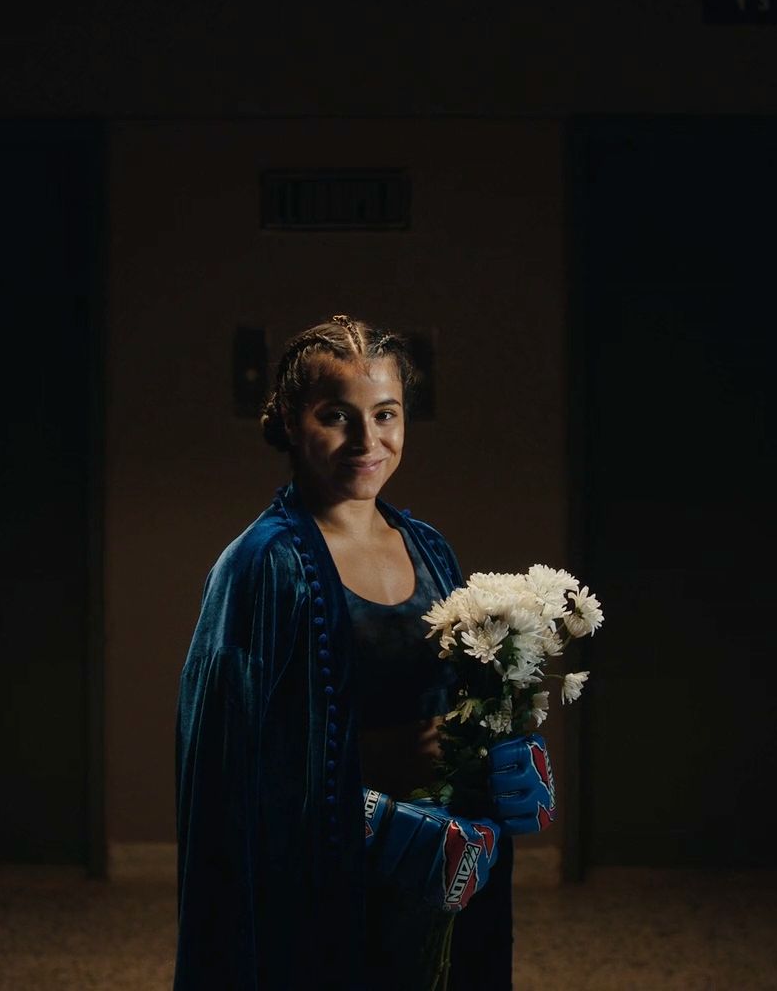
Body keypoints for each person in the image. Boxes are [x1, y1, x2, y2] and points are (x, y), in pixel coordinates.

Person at [174, 315, 555, 990]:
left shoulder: (431, 548)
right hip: (326, 883)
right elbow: (224, 764)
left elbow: (462, 696)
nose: (367, 440)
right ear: (291, 420)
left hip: (441, 865)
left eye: (386, 414)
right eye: (336, 416)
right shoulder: (261, 565)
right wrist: (369, 803)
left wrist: (505, 754)